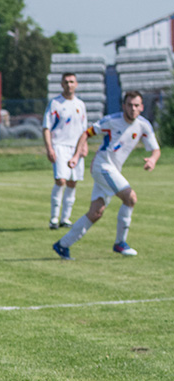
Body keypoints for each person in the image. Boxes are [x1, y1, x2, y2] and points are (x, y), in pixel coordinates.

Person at [53, 91, 160, 260]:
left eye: (136, 105)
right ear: (123, 106)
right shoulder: (112, 120)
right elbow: (86, 133)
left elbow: (156, 149)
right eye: (130, 105)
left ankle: (62, 245)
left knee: (96, 212)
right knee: (130, 198)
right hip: (102, 166)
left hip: (113, 170)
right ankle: (120, 243)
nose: (133, 109)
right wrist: (76, 155)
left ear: (141, 107)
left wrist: (153, 160)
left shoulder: (143, 125)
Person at [42, 72, 88, 230]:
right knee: (60, 180)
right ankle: (54, 218)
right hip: (59, 146)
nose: (69, 85)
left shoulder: (80, 105)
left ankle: (66, 218)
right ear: (62, 84)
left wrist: (84, 146)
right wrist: (49, 148)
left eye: (72, 82)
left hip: (76, 148)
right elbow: (46, 127)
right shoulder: (55, 103)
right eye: (66, 82)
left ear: (76, 84)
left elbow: (84, 130)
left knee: (72, 182)